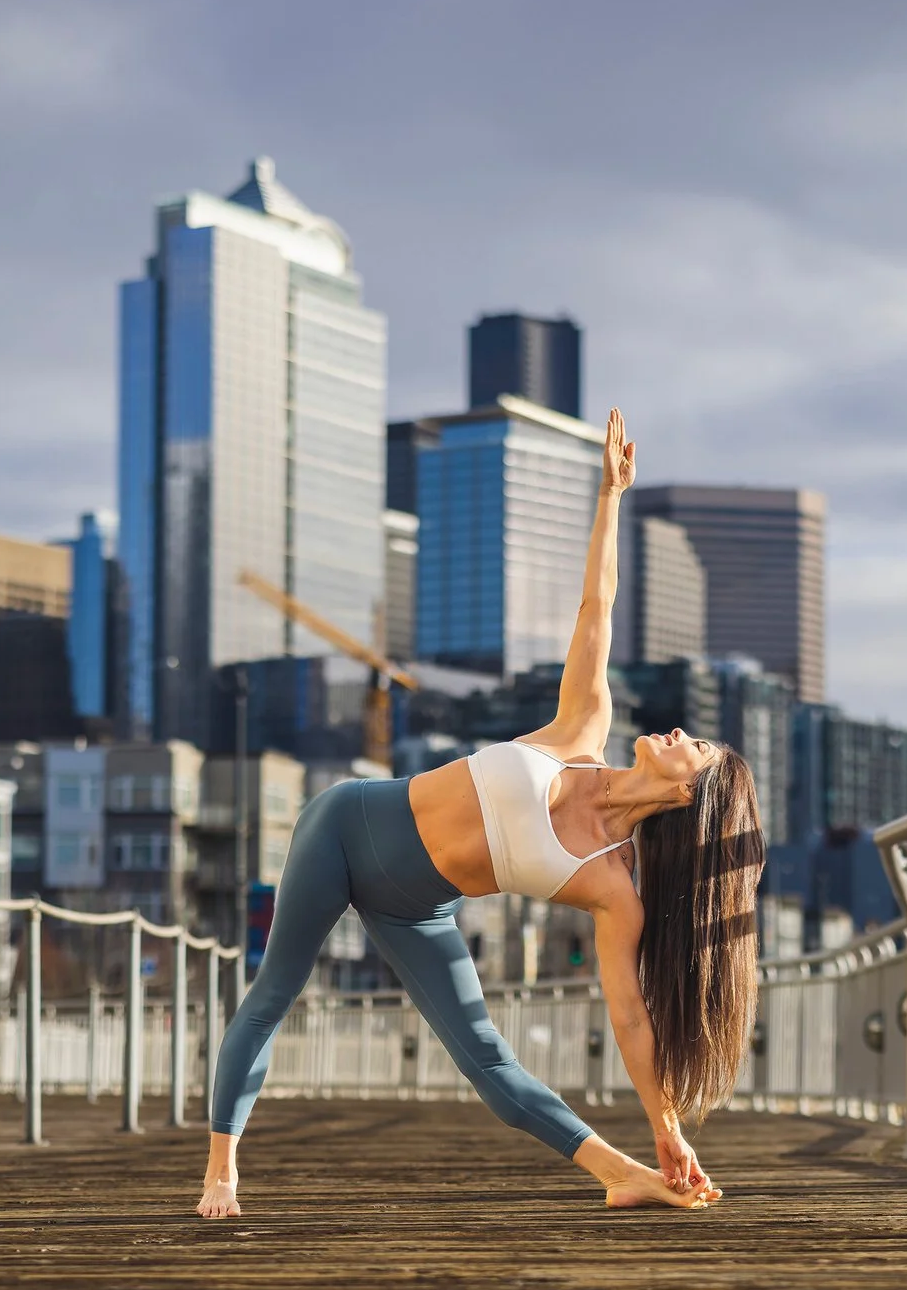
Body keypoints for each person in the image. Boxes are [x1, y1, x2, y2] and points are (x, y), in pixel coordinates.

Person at [198, 409, 765, 1218]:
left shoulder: (612, 889)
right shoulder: (580, 730)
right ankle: (222, 1168)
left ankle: (624, 1169)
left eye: (695, 748)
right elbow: (595, 610)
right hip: (346, 826)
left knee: (487, 1059)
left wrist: (667, 1126)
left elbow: (631, 1016)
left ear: (687, 796)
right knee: (274, 993)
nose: (679, 732)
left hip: (415, 904)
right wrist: (610, 496)